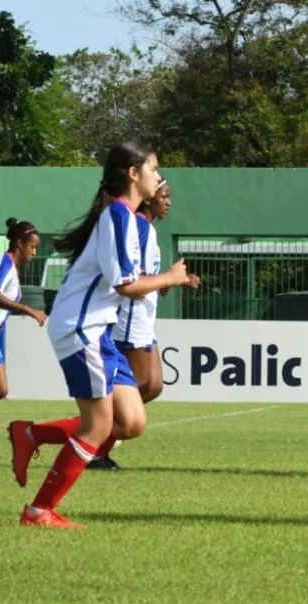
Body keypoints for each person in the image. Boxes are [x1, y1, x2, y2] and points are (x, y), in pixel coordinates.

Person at [6, 141, 193, 528]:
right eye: (154, 169)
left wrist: (163, 279)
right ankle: (39, 511)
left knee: (132, 421)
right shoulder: (120, 217)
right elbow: (124, 283)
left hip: (97, 329)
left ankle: (30, 433)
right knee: (99, 426)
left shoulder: (122, 216)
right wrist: (171, 278)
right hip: (82, 327)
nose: (159, 177)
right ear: (133, 173)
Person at [90, 179, 198, 471]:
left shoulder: (147, 229)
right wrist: (162, 280)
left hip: (144, 317)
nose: (169, 202)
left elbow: (144, 275)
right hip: (130, 318)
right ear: (150, 198)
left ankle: (97, 435)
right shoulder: (137, 224)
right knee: (135, 388)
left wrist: (170, 281)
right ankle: (91, 442)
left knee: (154, 385)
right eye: (165, 195)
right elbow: (128, 277)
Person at [0, 219, 48, 399]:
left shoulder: (11, 267)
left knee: (0, 390)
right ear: (19, 243)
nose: (34, 252)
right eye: (32, 247)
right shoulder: (5, 265)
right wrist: (27, 309)